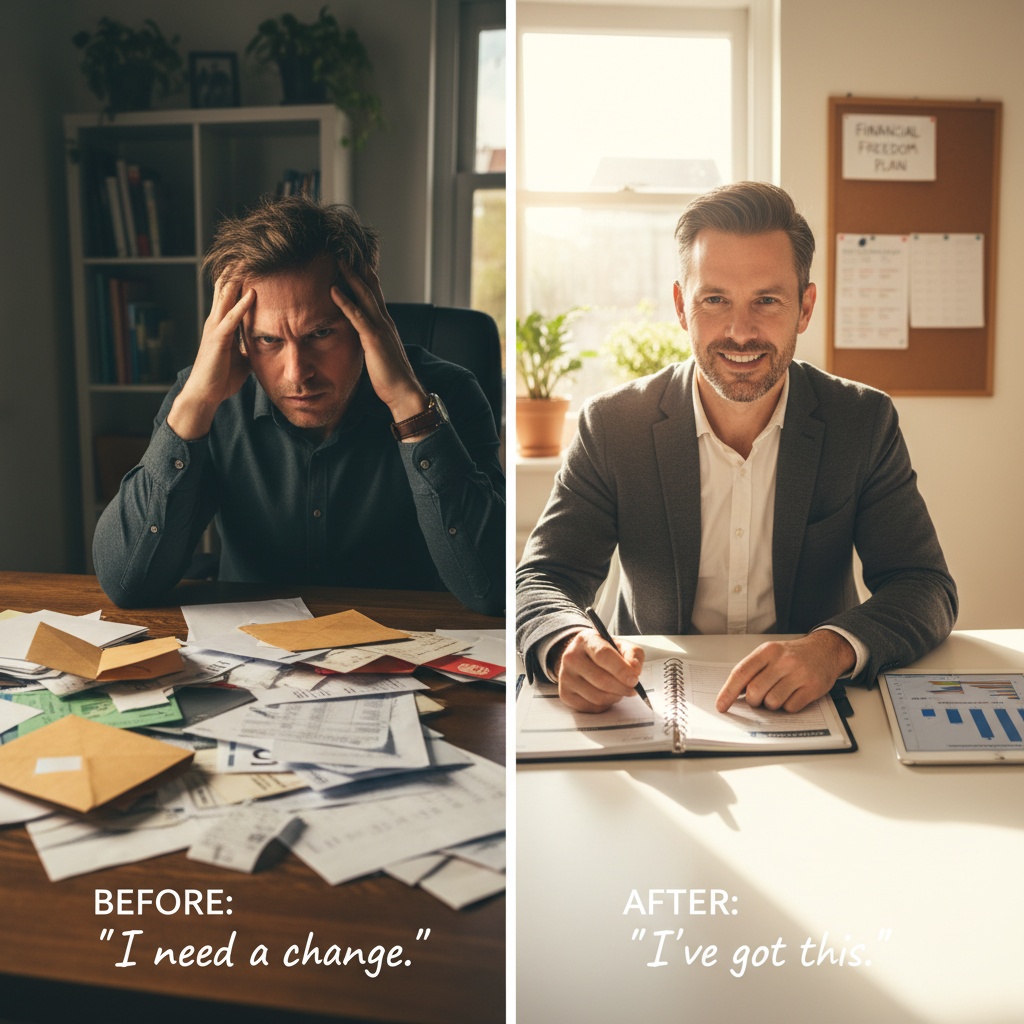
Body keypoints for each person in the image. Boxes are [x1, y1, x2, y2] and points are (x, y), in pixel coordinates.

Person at [516, 181, 956, 713]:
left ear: (805, 307)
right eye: (715, 299)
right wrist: (567, 643)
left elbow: (924, 585)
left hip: (812, 704)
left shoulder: (861, 422)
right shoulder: (612, 426)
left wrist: (831, 648)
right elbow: (542, 578)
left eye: (767, 300)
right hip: (648, 704)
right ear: (682, 305)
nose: (740, 331)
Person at [94, 194, 504, 616]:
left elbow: (491, 589)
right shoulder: (204, 400)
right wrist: (195, 403)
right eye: (268, 340)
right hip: (248, 659)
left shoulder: (448, 395)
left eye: (320, 334)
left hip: (408, 656)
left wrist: (408, 406)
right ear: (239, 338)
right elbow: (127, 583)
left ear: (367, 317)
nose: (296, 373)